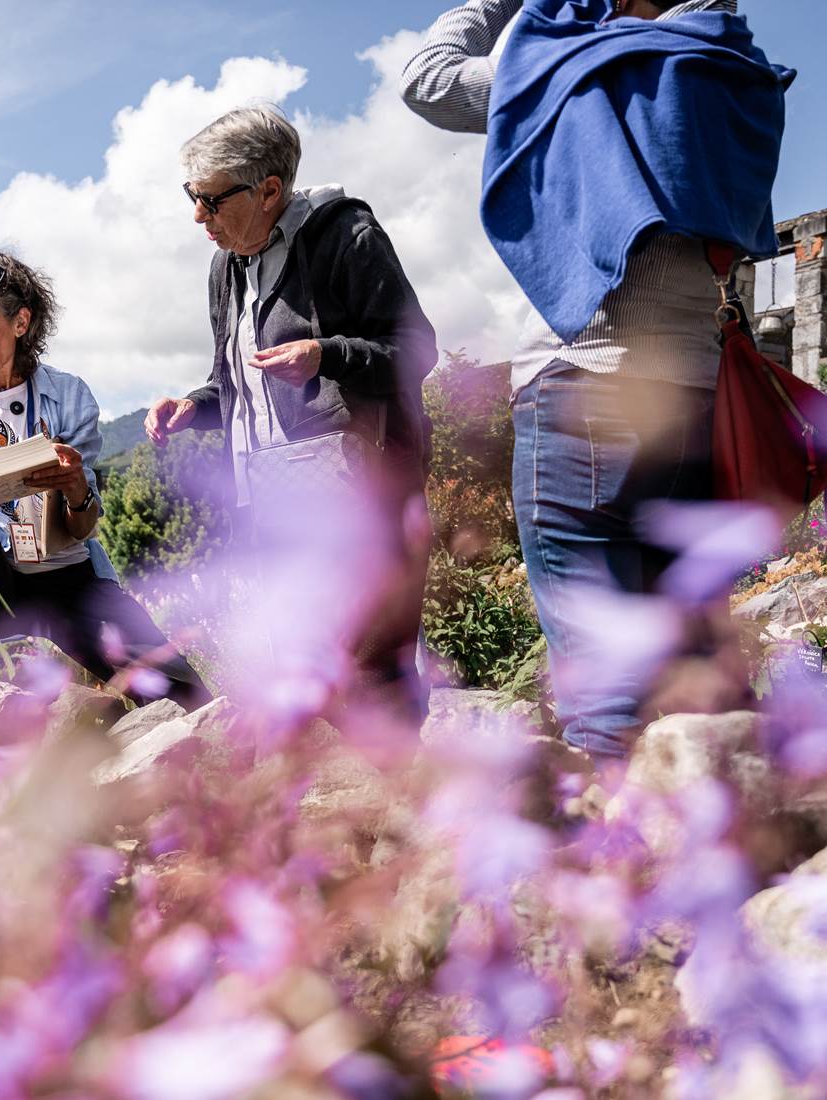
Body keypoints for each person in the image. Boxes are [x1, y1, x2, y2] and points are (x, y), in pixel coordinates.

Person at [401, 0, 793, 757]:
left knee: (606, 688)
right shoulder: (737, 74)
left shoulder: (576, 71)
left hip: (583, 390)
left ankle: (628, 863)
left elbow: (429, 80)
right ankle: (733, 852)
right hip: (704, 400)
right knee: (696, 667)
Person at [143, 106, 439, 716]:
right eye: (191, 197)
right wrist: (191, 407)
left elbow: (417, 349)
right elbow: (235, 384)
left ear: (270, 189)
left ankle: (401, 804)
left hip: (359, 496)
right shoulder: (225, 266)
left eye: (210, 200)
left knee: (369, 669)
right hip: (273, 501)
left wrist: (326, 355)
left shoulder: (347, 235)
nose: (198, 216)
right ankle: (336, 811)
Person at [0, 250, 208, 708]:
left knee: (184, 695)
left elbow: (84, 528)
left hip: (63, 574)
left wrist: (74, 487)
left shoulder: (68, 395)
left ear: (21, 323)